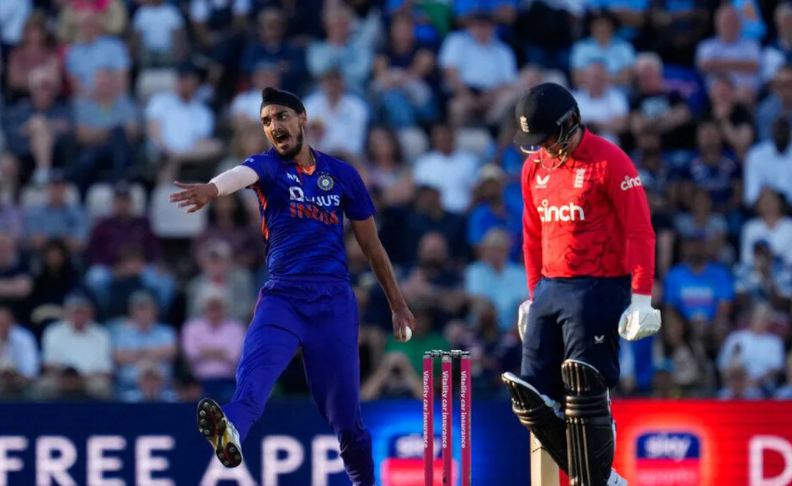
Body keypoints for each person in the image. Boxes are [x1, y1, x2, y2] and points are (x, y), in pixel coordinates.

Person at [169, 87, 414, 485]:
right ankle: (230, 429)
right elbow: (241, 175)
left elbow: (372, 247)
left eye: (281, 116)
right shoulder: (268, 166)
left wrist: (397, 304)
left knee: (346, 420)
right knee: (254, 376)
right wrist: (212, 189)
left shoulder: (342, 175)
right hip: (283, 298)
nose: (274, 126)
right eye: (266, 121)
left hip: (333, 303)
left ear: (303, 119)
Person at [500, 83, 661, 486]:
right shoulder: (534, 168)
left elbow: (640, 231)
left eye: (549, 138)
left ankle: (597, 479)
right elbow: (532, 236)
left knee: (583, 388)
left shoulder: (609, 160)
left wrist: (642, 296)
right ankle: (604, 481)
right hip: (550, 288)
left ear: (571, 122)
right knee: (529, 397)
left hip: (599, 287)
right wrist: (533, 296)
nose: (544, 149)